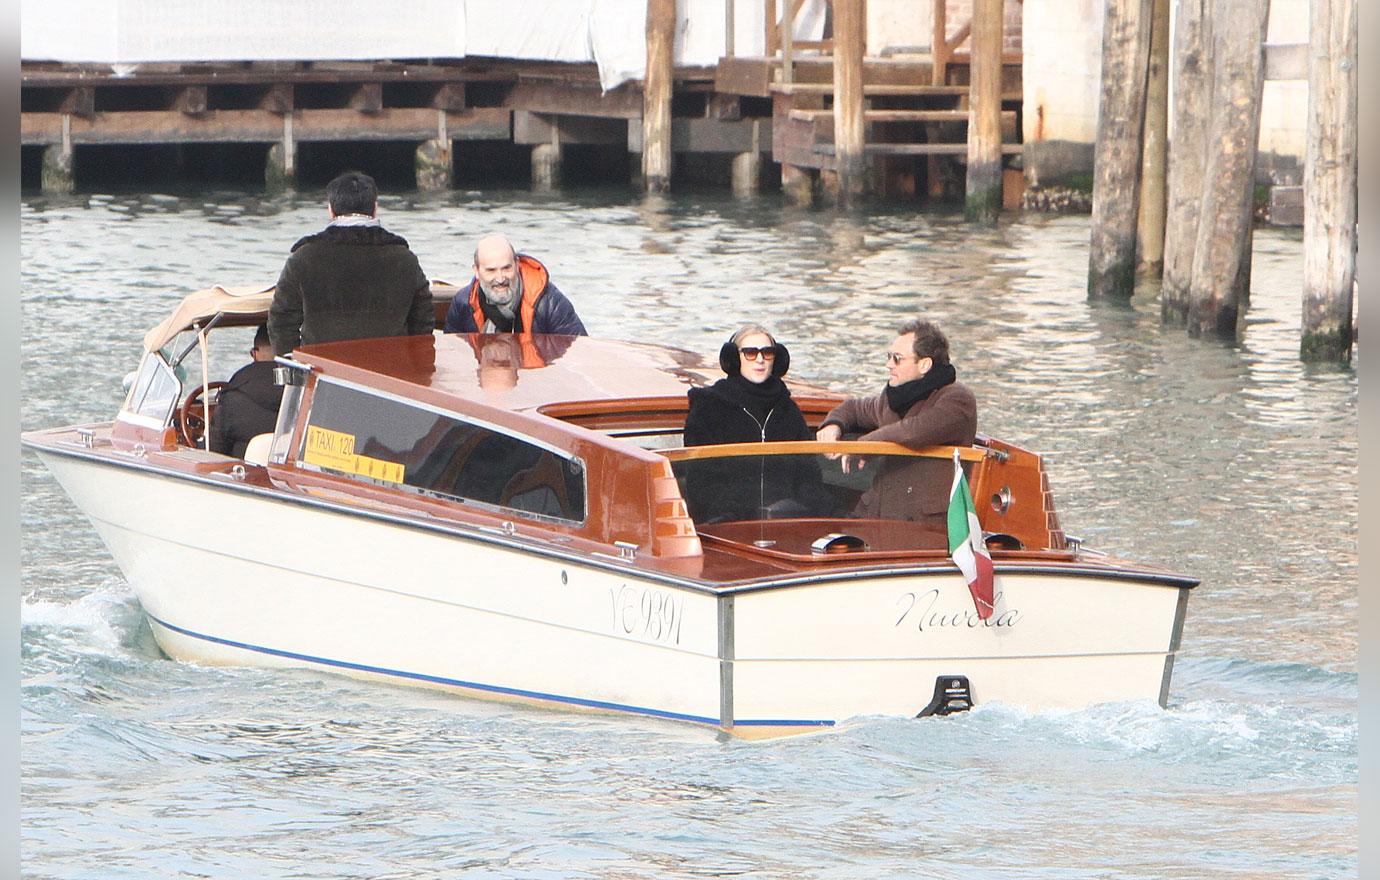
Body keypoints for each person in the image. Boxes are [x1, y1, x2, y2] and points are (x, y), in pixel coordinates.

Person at [815, 319, 977, 524]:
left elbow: (913, 431)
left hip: (925, 525)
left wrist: (862, 446)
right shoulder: (891, 398)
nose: (888, 364)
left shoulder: (957, 399)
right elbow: (854, 408)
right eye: (889, 357)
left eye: (897, 359)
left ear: (925, 364)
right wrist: (834, 424)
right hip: (875, 515)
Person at [268, 170, 434, 356]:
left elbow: (281, 321)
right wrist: (418, 367)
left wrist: (296, 367)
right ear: (375, 208)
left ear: (331, 210)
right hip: (389, 375)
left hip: (322, 374)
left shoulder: (304, 258)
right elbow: (422, 321)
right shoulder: (404, 259)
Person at [682, 324, 824, 522]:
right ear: (733, 359)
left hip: (786, 521)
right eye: (750, 352)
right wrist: (734, 514)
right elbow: (702, 482)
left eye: (767, 353)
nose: (760, 359)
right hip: (726, 524)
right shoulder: (708, 408)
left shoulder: (788, 410)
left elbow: (809, 477)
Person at [442, 234, 586, 335]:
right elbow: (453, 359)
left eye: (506, 268)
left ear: (517, 265)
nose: (500, 278)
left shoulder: (550, 303)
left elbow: (579, 353)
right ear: (477, 271)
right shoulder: (463, 303)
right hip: (484, 375)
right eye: (491, 270)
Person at [209, 324, 284, 459]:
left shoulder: (233, 396)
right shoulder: (302, 390)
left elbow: (213, 451)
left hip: (244, 474)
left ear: (254, 353)